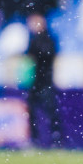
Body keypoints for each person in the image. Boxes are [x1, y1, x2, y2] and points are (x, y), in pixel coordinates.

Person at [25, 13, 62, 147]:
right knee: (32, 112)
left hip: (46, 81)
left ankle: (57, 140)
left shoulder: (47, 39)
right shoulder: (33, 39)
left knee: (51, 113)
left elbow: (45, 54)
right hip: (35, 81)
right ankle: (34, 140)